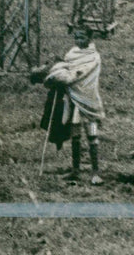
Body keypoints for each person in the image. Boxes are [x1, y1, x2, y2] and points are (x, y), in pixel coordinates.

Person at [30, 28, 105, 185]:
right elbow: (65, 69)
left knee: (92, 135)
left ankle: (96, 172)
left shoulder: (94, 57)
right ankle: (75, 170)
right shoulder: (71, 54)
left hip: (89, 100)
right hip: (73, 100)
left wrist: (62, 76)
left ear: (90, 38)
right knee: (75, 134)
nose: (78, 40)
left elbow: (78, 75)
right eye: (76, 37)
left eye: (82, 37)